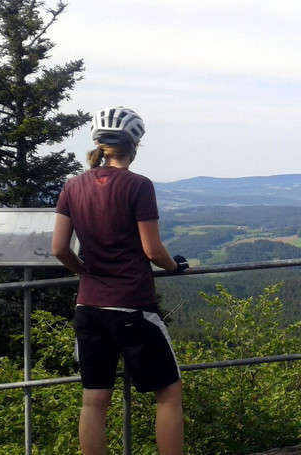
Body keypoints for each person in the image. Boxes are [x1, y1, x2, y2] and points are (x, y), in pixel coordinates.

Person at [52, 106, 188, 455]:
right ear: (134, 146)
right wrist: (174, 267)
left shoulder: (72, 186)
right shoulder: (138, 186)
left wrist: (86, 273)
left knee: (94, 401)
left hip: (89, 306)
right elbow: (153, 250)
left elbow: (59, 249)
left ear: (98, 143)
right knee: (169, 395)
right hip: (131, 306)